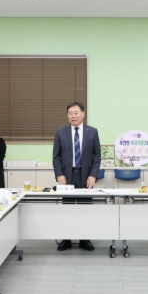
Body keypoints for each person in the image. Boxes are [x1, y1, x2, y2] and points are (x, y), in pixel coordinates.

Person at [52, 102, 101, 251]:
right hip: (67, 176)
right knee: (67, 209)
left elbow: (97, 156)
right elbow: (56, 157)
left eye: (76, 113)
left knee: (85, 209)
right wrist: (59, 174)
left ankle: (84, 239)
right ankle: (66, 239)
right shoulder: (61, 132)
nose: (72, 116)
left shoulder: (92, 131)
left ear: (83, 114)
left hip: (86, 177)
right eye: (70, 113)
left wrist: (93, 175)